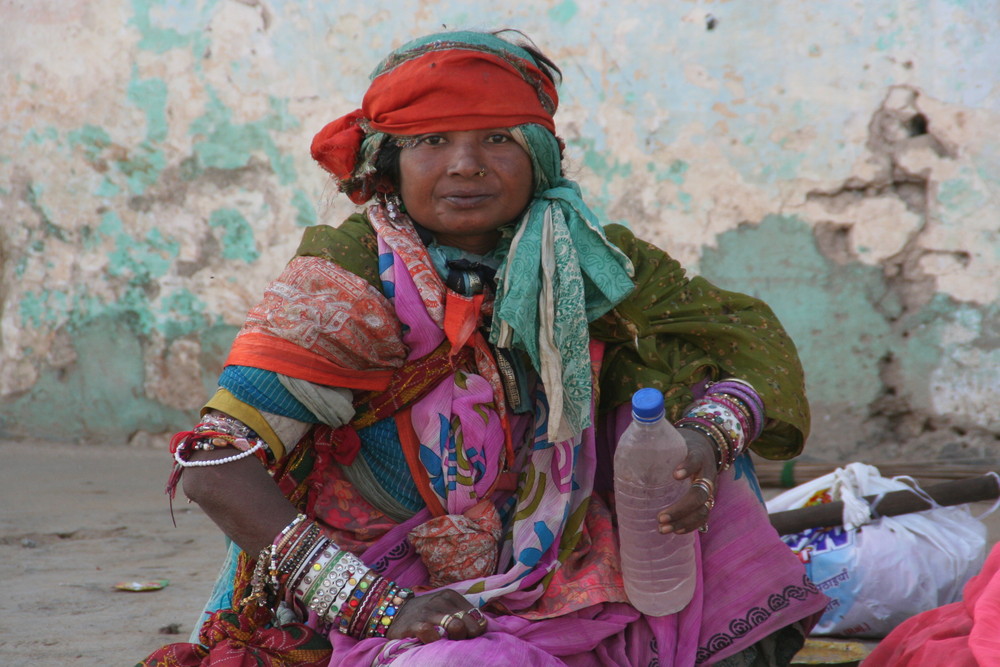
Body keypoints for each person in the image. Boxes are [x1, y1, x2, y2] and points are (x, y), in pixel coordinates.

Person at [141, 29, 827, 667]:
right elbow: (215, 463)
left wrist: (708, 437)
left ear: (540, 156)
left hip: (567, 563)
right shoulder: (349, 272)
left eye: (498, 138)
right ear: (388, 161)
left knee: (690, 455)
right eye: (432, 140)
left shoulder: (591, 258)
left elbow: (740, 343)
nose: (466, 166)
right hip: (388, 587)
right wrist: (381, 607)